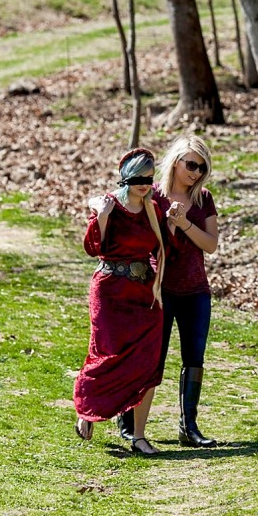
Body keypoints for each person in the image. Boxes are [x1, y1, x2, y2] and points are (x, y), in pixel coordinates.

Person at [116, 135, 219, 448]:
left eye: (201, 168)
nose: (195, 172)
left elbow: (211, 245)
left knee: (194, 358)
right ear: (176, 161)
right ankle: (129, 421)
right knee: (150, 359)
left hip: (196, 291)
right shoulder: (153, 195)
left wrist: (185, 223)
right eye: (191, 164)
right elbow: (144, 240)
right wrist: (169, 225)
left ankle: (189, 427)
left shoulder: (204, 200)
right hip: (159, 290)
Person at [74, 148, 166, 455]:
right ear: (126, 177)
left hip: (143, 293)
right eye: (138, 178)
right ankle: (87, 408)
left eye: (149, 178)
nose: (144, 184)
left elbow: (164, 245)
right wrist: (100, 216)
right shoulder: (110, 204)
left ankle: (138, 435)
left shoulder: (153, 208)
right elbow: (92, 247)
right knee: (107, 354)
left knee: (148, 359)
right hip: (111, 290)